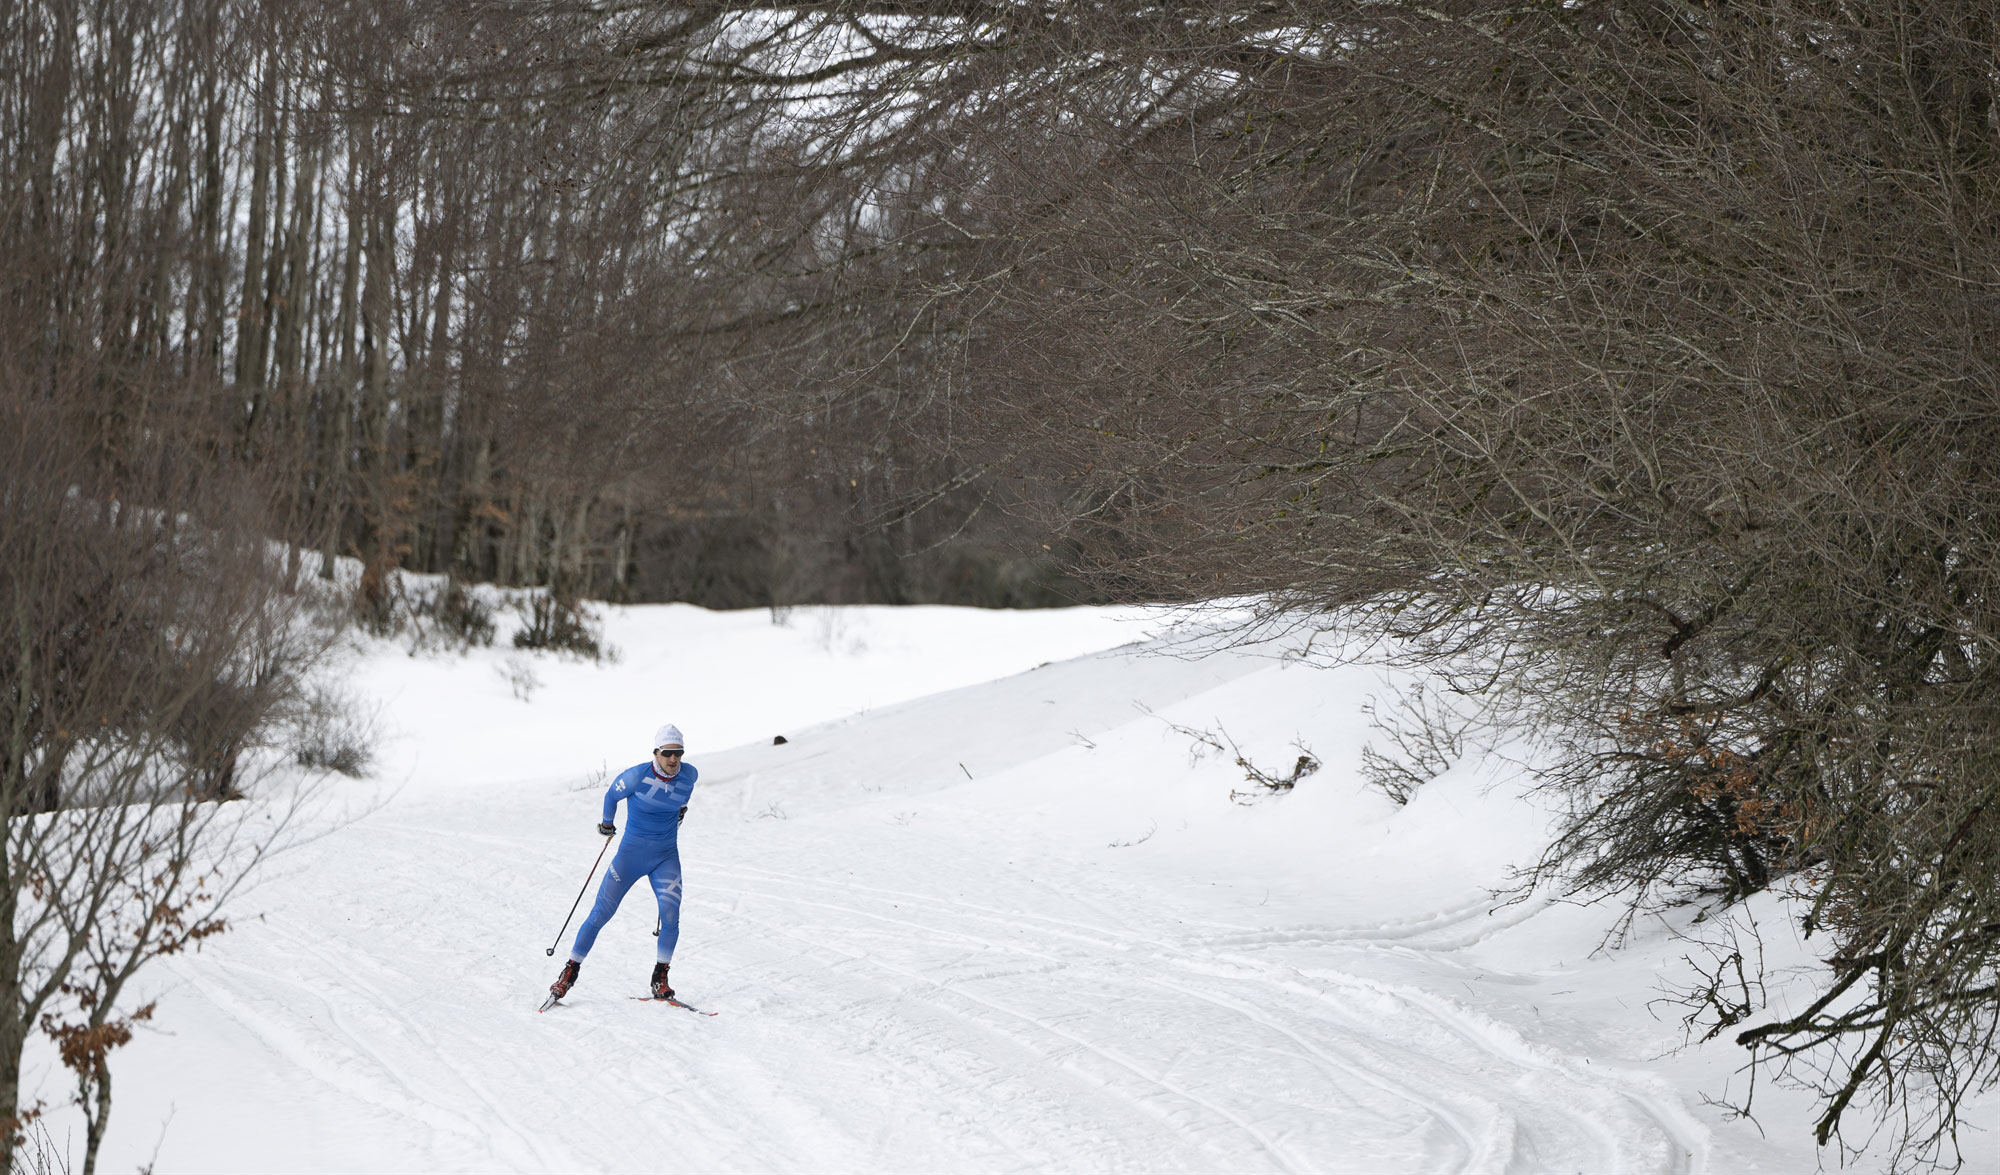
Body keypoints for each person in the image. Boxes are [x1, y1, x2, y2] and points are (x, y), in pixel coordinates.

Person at [548, 724, 697, 1001]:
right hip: (630, 857)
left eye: (679, 753)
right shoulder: (636, 776)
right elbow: (611, 796)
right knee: (600, 914)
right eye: (668, 753)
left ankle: (660, 978)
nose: (674, 760)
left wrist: (679, 812)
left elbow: (681, 800)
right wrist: (607, 825)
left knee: (671, 916)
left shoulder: (690, 775)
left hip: (666, 857)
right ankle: (569, 972)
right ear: (656, 752)